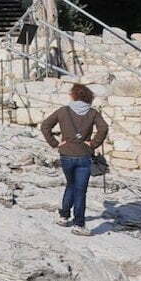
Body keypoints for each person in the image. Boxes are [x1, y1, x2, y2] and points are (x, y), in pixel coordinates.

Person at [40, 83, 109, 234]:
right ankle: (79, 225)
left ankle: (64, 216)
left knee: (71, 184)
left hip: (66, 154)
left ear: (73, 96)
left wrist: (55, 143)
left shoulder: (63, 111)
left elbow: (45, 126)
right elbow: (103, 128)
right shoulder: (92, 113)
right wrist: (93, 144)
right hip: (84, 154)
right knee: (80, 190)